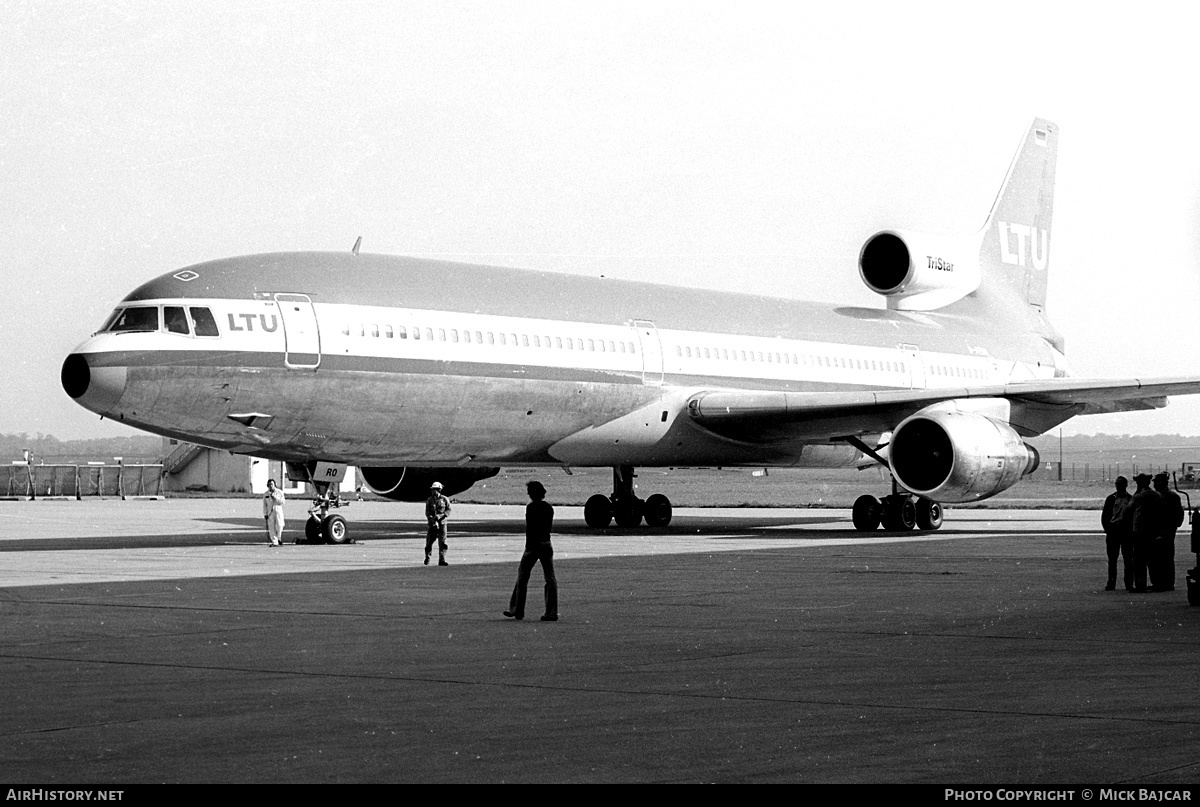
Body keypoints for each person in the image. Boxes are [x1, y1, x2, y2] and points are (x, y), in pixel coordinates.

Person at [504, 480, 558, 621]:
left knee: (522, 577)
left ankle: (517, 609)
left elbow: (530, 529)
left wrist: (528, 548)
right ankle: (551, 612)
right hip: (546, 544)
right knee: (550, 578)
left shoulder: (531, 508)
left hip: (533, 545)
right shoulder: (549, 508)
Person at [1151, 472, 1184, 592]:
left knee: (1165, 558)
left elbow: (1177, 516)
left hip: (1166, 531)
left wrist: (1170, 529)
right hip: (1161, 530)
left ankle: (1166, 583)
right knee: (1159, 558)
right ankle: (1160, 583)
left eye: (1156, 482)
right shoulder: (1164, 495)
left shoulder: (1170, 496)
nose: (1154, 485)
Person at [1128, 473, 1160, 593]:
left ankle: (1140, 585)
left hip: (1140, 531)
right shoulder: (1157, 495)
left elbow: (1129, 509)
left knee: (1139, 560)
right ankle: (1156, 583)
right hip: (1153, 531)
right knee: (1153, 560)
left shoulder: (1139, 496)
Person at [1100, 476, 1133, 591]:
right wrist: (1108, 530)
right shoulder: (1111, 499)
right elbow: (1105, 517)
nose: (1119, 487)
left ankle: (1128, 583)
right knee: (1113, 560)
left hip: (1124, 531)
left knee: (1127, 560)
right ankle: (1112, 583)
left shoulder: (1130, 499)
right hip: (1114, 531)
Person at [425, 481, 451, 566]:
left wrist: (441, 517)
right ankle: (427, 557)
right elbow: (427, 512)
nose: (433, 491)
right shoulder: (429, 500)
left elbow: (448, 510)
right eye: (432, 490)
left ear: (439, 490)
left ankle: (442, 560)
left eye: (435, 490)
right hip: (432, 524)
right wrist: (432, 519)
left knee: (443, 543)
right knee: (429, 542)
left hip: (442, 524)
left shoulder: (444, 499)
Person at [263, 478, 285, 547]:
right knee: (271, 527)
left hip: (278, 510)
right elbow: (264, 505)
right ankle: (274, 542)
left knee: (279, 525)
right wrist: (265, 514)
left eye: (272, 484)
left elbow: (282, 502)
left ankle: (279, 538)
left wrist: (275, 498)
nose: (270, 486)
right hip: (270, 512)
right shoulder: (265, 494)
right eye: (269, 485)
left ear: (275, 485)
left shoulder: (280, 492)